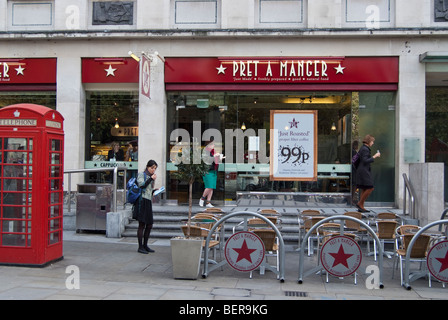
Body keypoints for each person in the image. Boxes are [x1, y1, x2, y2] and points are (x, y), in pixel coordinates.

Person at [136, 160, 158, 254]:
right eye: (152, 168)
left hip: (148, 201)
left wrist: (155, 191)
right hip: (142, 201)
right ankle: (140, 247)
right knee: (142, 224)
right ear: (147, 167)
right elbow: (141, 185)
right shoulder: (142, 175)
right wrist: (151, 179)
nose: (153, 170)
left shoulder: (150, 177)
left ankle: (145, 245)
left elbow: (148, 189)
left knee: (149, 224)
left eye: (155, 168)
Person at [355, 135, 381, 213]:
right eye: (372, 141)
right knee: (370, 187)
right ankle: (360, 203)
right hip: (364, 171)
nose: (373, 143)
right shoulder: (365, 149)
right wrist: (375, 156)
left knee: (365, 187)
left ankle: (361, 206)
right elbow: (365, 160)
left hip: (362, 170)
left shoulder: (363, 148)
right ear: (369, 141)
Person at [199, 139, 224, 208]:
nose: (214, 146)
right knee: (209, 186)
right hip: (207, 171)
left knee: (211, 187)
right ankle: (202, 198)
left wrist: (219, 158)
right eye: (213, 144)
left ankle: (208, 203)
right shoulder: (205, 151)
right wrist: (215, 156)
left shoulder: (213, 151)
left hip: (214, 171)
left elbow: (215, 161)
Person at [351, 140, 359, 206]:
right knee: (354, 185)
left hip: (353, 170)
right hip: (354, 170)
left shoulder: (352, 151)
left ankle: (351, 199)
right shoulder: (354, 152)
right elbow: (355, 161)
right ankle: (351, 199)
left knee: (354, 185)